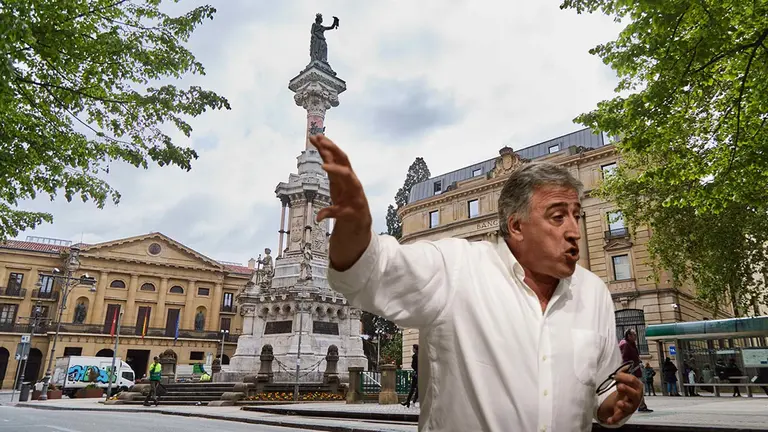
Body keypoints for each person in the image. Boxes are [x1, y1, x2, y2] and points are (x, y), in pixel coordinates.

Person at [312, 134, 643, 431]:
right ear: (516, 226)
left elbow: (603, 389)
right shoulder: (458, 268)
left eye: (577, 214)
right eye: (558, 217)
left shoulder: (594, 293)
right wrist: (354, 229)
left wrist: (616, 405)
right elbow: (373, 271)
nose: (573, 230)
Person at [619, 329, 652, 412]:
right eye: (634, 334)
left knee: (637, 389)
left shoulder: (632, 344)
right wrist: (629, 367)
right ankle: (640, 406)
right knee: (637, 389)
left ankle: (640, 406)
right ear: (629, 336)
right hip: (632, 372)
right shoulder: (626, 345)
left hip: (636, 371)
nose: (636, 336)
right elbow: (624, 358)